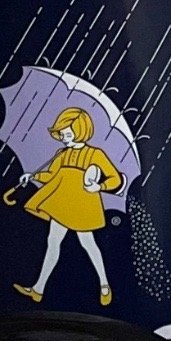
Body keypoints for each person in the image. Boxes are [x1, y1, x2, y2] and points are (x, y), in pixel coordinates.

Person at [13, 107, 121, 305]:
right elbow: (52, 176)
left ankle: (104, 284)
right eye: (62, 134)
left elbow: (115, 178)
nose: (64, 138)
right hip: (61, 204)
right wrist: (33, 176)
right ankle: (38, 289)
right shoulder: (61, 154)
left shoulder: (95, 154)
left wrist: (100, 185)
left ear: (81, 131)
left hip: (83, 205)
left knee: (88, 244)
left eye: (68, 134)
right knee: (52, 242)